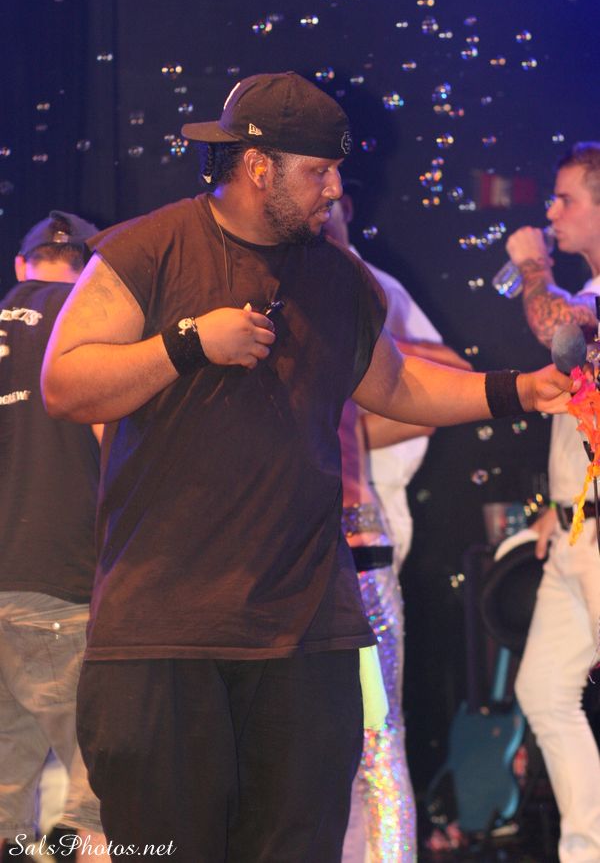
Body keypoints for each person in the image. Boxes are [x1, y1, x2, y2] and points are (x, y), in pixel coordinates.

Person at [40, 71, 572, 862]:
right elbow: (64, 383)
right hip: (164, 629)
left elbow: (396, 386)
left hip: (305, 632)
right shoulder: (148, 250)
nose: (335, 190)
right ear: (258, 166)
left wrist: (521, 390)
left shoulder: (336, 277)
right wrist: (189, 343)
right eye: (318, 171)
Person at [326, 196, 471, 863]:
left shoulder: (367, 288)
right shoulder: (252, 287)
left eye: (331, 188)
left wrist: (360, 336)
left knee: (375, 737)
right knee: (297, 743)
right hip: (269, 549)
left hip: (354, 542)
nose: (320, 200)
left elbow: (448, 384)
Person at [0, 212, 105, 859]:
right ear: (91, 268)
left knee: (5, 802)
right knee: (100, 796)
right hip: (64, 583)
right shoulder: (91, 330)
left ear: (22, 265)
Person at [507, 142, 600, 863]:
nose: (552, 211)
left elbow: (562, 333)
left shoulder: (586, 304)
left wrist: (533, 264)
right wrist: (560, 504)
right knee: (542, 689)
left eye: (567, 198)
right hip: (576, 533)